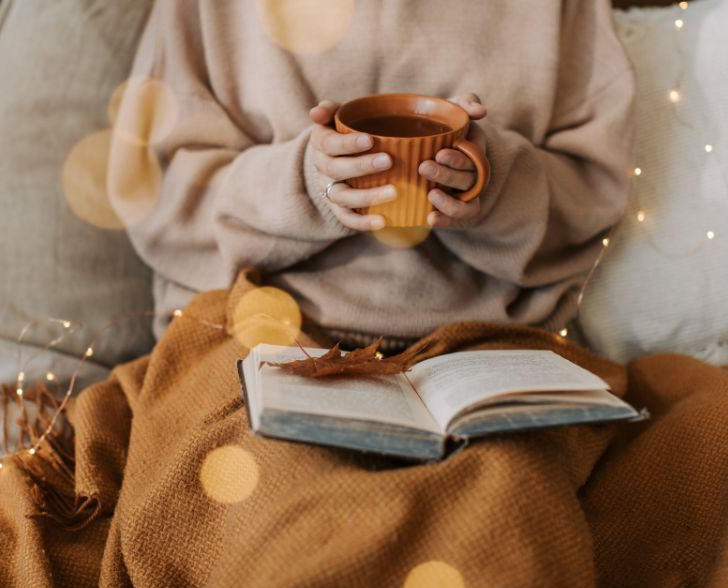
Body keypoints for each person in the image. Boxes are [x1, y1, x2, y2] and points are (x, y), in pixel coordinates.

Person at [115, 0, 635, 352]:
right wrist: (307, 184)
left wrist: (493, 182)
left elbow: (593, 188)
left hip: (490, 347)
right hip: (254, 338)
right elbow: (159, 194)